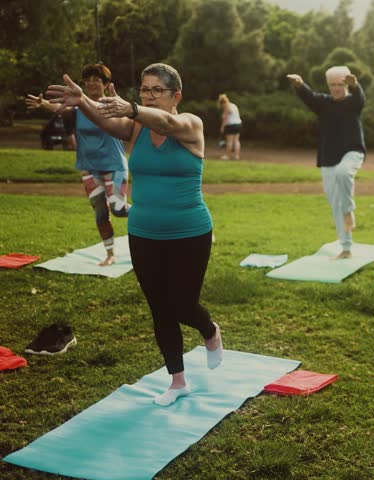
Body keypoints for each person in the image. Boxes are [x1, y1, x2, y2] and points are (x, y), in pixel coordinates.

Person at [46, 63, 223, 407]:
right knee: (159, 307)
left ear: (176, 96)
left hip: (190, 232)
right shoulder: (136, 128)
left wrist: (133, 107)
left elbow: (167, 123)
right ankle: (177, 380)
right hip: (144, 233)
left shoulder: (191, 124)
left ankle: (210, 331)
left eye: (158, 90)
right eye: (145, 89)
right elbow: (106, 121)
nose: (150, 95)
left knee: (183, 304)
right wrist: (82, 101)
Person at [26, 63, 129, 266]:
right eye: (87, 80)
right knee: (100, 213)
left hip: (114, 165)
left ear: (106, 84)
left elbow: (127, 120)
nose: (91, 83)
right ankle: (110, 254)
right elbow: (59, 107)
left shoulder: (112, 106)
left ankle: (151, 214)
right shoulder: (77, 108)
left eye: (96, 80)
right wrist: (43, 103)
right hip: (89, 167)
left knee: (118, 208)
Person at [286, 66, 365, 259]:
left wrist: (355, 85)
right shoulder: (323, 103)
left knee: (343, 173)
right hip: (329, 157)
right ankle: (346, 248)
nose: (336, 88)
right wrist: (299, 84)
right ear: (328, 85)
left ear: (346, 84)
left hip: (352, 152)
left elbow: (360, 99)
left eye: (340, 84)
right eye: (333, 85)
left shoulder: (352, 102)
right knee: (334, 203)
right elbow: (309, 96)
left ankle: (349, 211)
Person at [218, 93, 241, 160]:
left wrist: (222, 127)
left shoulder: (226, 107)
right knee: (236, 141)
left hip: (231, 125)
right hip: (238, 124)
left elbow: (226, 119)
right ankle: (236, 156)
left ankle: (227, 156)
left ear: (222, 102)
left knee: (229, 141)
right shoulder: (233, 105)